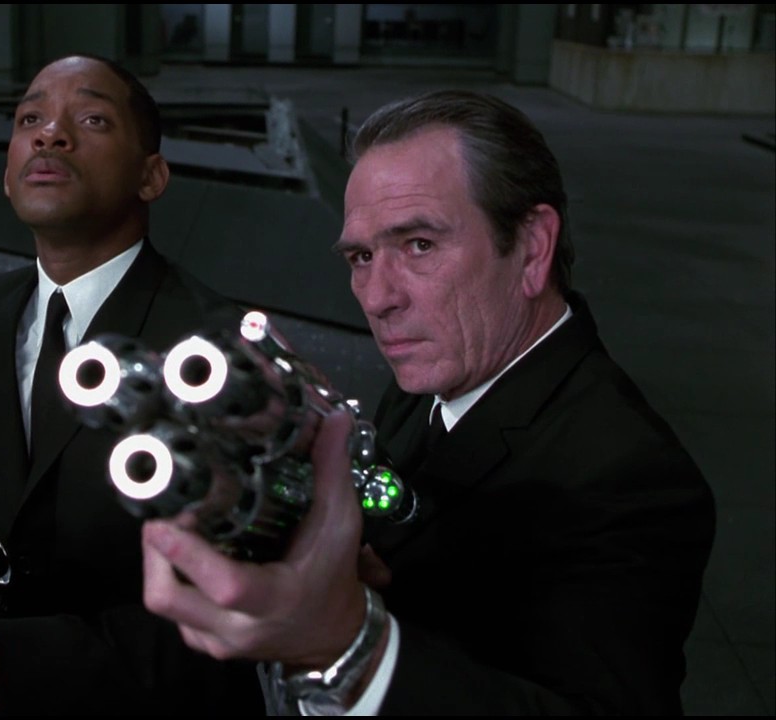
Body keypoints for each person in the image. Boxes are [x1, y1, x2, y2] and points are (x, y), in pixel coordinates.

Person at [139, 90, 716, 715]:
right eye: (361, 257)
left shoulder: (631, 480)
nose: (377, 298)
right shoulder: (434, 385)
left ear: (531, 248)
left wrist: (348, 648)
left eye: (419, 245)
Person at [0, 54, 267, 716]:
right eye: (29, 119)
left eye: (91, 119)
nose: (50, 134)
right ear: (7, 174)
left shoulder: (216, 351)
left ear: (151, 176)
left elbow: (236, 614)